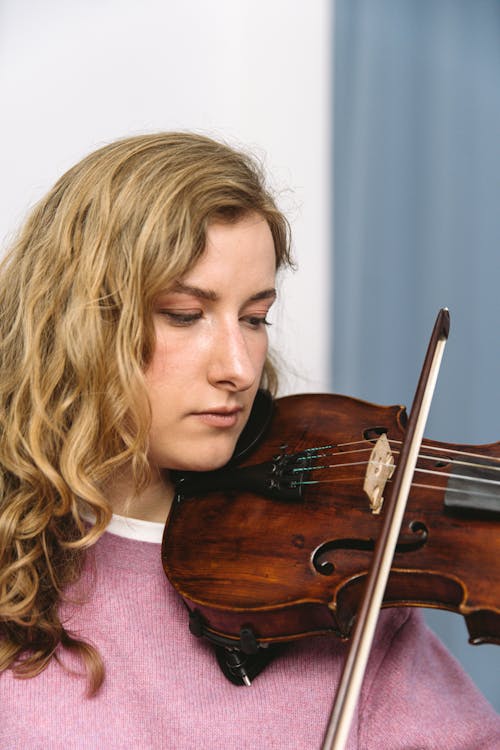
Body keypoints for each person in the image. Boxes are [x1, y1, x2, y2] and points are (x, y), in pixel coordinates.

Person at [0, 132, 498, 750]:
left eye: (256, 318)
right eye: (185, 314)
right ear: (77, 322)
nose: (238, 366)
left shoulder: (334, 582)